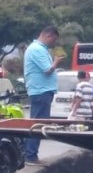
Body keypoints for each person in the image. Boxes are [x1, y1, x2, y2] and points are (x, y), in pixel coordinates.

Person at [23, 26, 66, 163]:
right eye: (54, 39)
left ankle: (31, 153)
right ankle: (30, 155)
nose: (54, 43)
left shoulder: (39, 49)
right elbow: (47, 70)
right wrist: (57, 62)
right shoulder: (36, 49)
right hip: (40, 91)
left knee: (38, 123)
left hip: (42, 91)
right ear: (48, 35)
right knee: (37, 124)